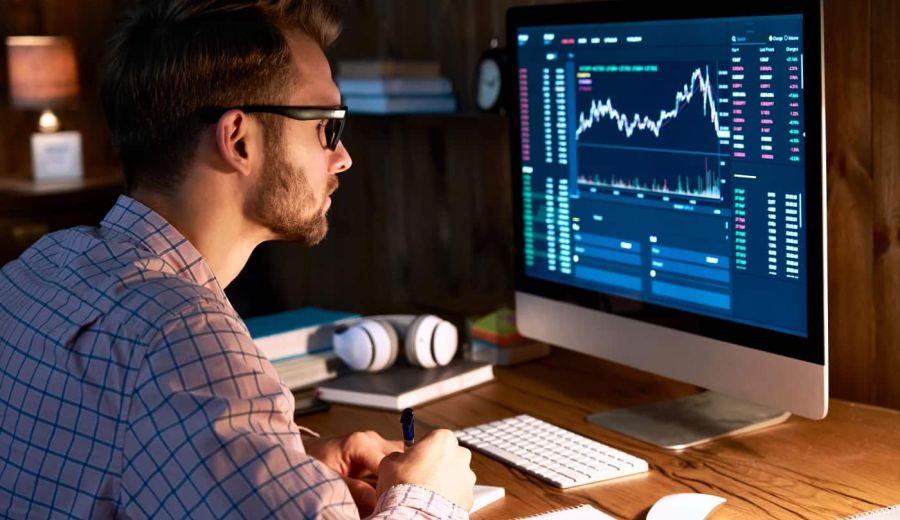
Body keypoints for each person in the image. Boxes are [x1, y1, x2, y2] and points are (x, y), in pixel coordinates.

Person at [0, 1, 476, 518]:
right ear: (238, 139)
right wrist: (429, 497)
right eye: (326, 126)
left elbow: (118, 448)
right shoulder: (183, 334)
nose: (343, 157)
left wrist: (288, 459)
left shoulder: (39, 266)